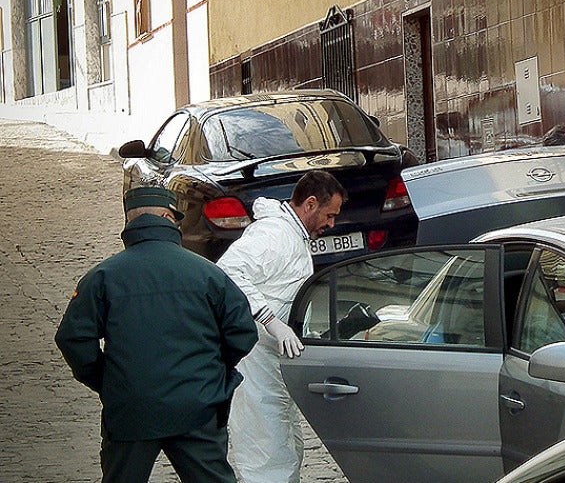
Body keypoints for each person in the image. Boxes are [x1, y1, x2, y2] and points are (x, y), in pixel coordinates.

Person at [55, 186, 258, 483]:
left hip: (131, 409)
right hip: (197, 405)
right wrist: (211, 373)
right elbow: (242, 332)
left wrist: (107, 381)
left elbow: (72, 339)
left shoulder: (103, 276)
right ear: (166, 217)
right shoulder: (207, 273)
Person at [216, 170, 347, 483]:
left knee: (281, 440)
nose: (332, 225)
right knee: (266, 445)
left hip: (271, 360)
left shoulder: (293, 234)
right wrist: (271, 321)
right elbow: (229, 272)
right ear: (310, 204)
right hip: (255, 359)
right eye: (329, 215)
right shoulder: (275, 234)